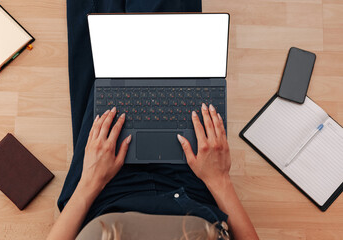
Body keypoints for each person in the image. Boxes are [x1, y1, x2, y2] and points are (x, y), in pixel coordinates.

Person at [47, 0, 259, 239]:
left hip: (100, 193)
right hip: (196, 185)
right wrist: (220, 180)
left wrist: (89, 182)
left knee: (99, 50)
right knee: (166, 27)